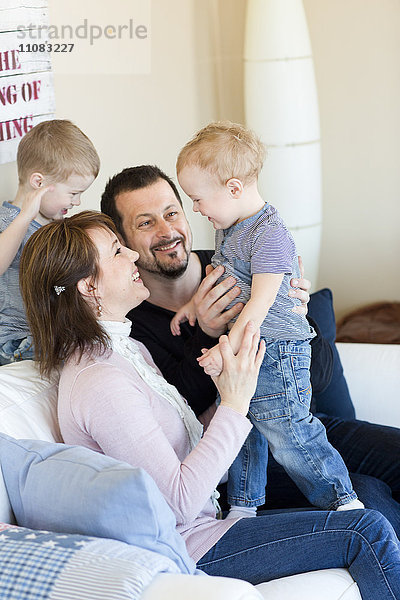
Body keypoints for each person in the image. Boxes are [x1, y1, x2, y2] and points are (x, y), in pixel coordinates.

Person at [19, 211, 400, 597]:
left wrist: (250, 364)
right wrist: (235, 403)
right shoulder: (100, 381)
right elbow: (181, 502)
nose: (133, 256)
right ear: (89, 287)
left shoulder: (125, 349)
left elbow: (184, 446)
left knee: (364, 490)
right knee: (365, 532)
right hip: (189, 546)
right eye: (118, 251)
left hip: (210, 516)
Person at [100, 163, 400, 531]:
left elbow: (320, 375)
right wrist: (207, 333)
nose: (166, 232)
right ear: (124, 241)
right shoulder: (129, 317)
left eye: (171, 213)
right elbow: (175, 413)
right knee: (369, 495)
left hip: (302, 420)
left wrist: (297, 319)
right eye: (145, 223)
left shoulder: (237, 257)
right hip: (240, 455)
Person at [171, 121, 362, 517]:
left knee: (287, 428)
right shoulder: (231, 225)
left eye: (198, 200)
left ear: (234, 188)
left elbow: (256, 308)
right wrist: (192, 307)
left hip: (276, 350)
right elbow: (226, 274)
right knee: (244, 428)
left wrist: (226, 352)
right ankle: (242, 507)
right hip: (253, 347)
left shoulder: (269, 235)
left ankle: (342, 500)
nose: (197, 210)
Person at [0, 119, 99, 365]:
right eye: (73, 193)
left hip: (47, 334)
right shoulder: (9, 223)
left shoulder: (52, 226)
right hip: (16, 340)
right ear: (39, 183)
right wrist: (25, 217)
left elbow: (54, 288)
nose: (76, 202)